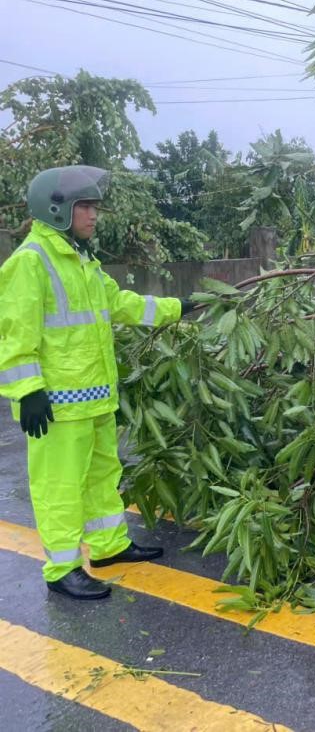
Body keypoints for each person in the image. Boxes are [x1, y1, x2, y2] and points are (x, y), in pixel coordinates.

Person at [0, 165, 195, 600]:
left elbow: (121, 304)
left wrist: (179, 308)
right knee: (60, 487)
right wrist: (28, 391)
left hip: (94, 398)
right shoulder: (30, 263)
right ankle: (62, 568)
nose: (93, 215)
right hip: (55, 406)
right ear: (56, 209)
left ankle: (109, 546)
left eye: (93, 206)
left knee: (102, 477)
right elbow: (14, 336)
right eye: (84, 206)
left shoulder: (82, 260)